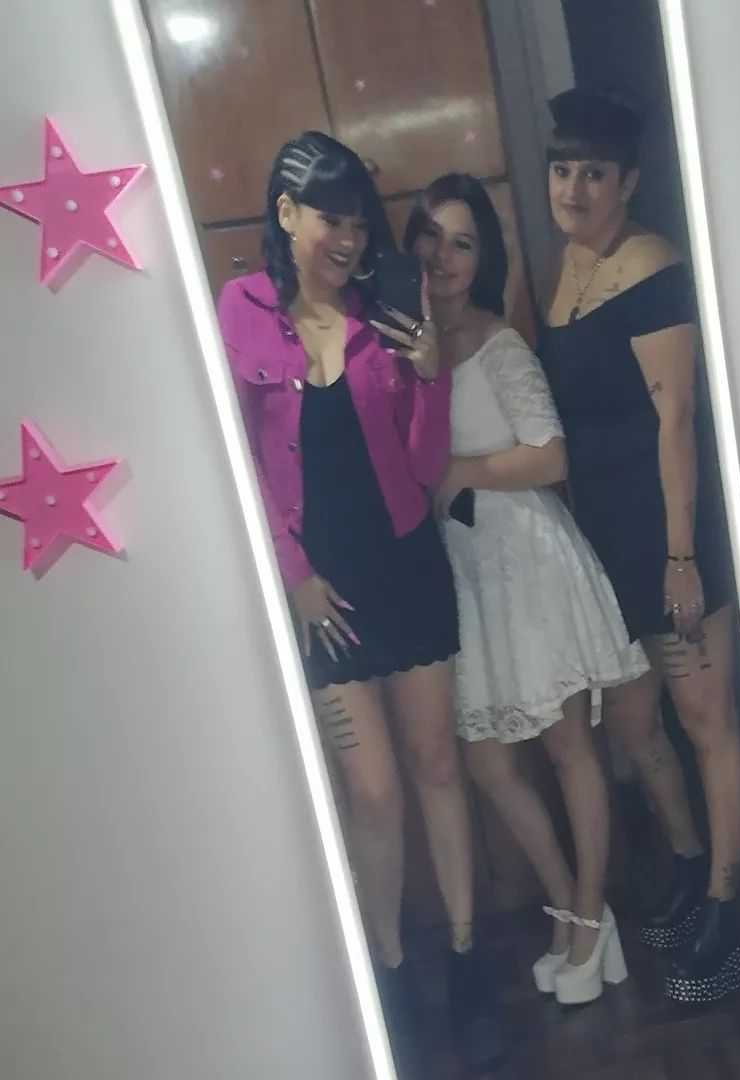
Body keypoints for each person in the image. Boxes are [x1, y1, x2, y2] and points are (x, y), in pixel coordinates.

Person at [216, 132, 501, 1072]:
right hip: (322, 596)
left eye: (360, 224)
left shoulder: (387, 312)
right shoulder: (243, 310)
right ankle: (389, 973)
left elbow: (421, 468)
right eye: (330, 220)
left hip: (406, 571)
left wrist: (430, 376)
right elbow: (242, 457)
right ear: (286, 213)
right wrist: (292, 573)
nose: (348, 240)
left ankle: (466, 959)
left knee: (437, 768)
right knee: (372, 793)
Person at [404, 173, 649, 1006]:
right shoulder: (404, 346)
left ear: (484, 258)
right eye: (432, 237)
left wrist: (460, 470)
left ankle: (587, 916)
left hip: (528, 560)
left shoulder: (498, 343)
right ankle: (577, 908)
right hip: (464, 574)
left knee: (569, 748)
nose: (443, 256)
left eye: (463, 242)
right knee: (487, 761)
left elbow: (551, 455)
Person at [538, 89, 740, 1005]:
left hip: (671, 531)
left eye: (593, 173)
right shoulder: (563, 268)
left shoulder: (653, 267)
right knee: (634, 725)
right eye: (562, 169)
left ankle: (728, 911)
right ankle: (688, 860)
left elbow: (677, 423)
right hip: (602, 536)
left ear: (628, 181)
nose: (573, 188)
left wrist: (681, 558)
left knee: (706, 722)